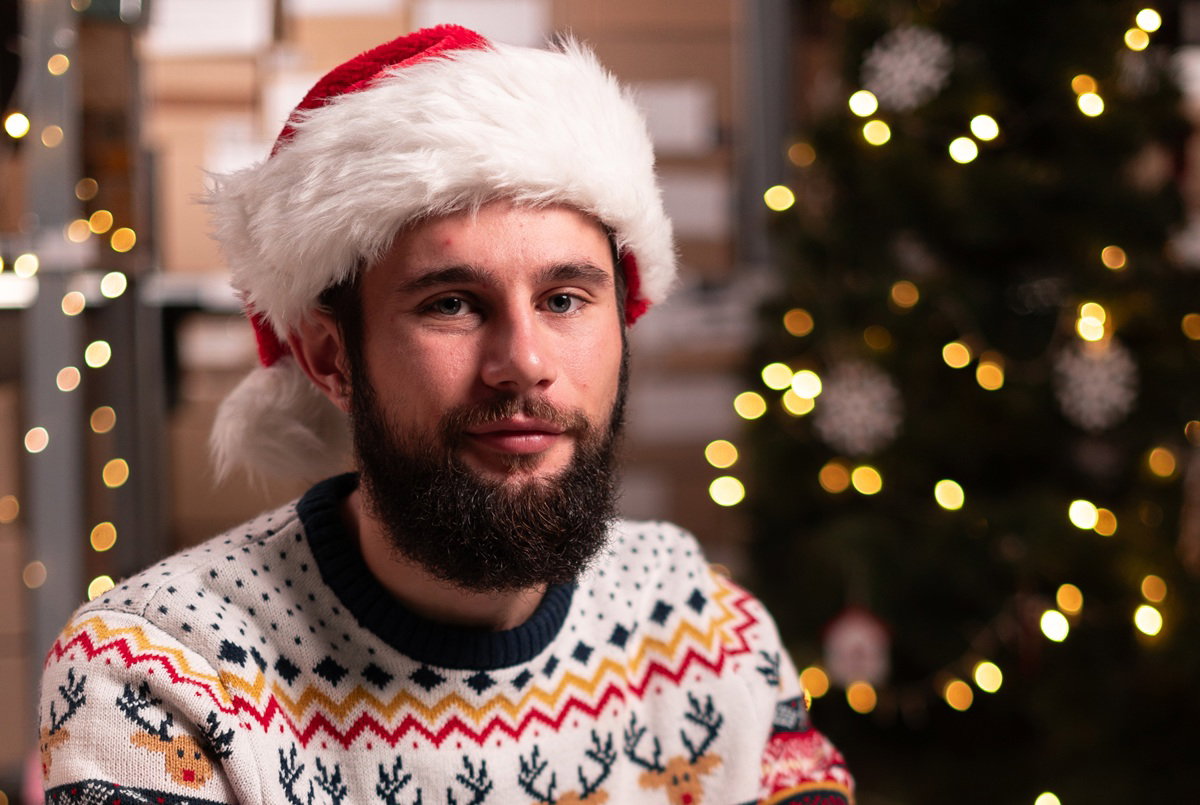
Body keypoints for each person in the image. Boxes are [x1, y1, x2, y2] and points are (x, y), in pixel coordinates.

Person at [38, 25, 854, 805]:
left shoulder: (706, 627)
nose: (525, 361)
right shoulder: (160, 675)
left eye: (565, 299)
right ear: (330, 358)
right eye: (454, 304)